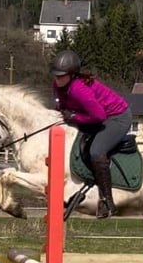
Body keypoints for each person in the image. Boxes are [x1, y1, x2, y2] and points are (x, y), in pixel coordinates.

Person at [51, 50, 132, 218]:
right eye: (56, 75)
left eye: (61, 76)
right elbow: (60, 103)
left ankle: (107, 201)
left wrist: (73, 116)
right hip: (96, 117)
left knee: (96, 151)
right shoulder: (58, 85)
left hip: (116, 117)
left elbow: (99, 116)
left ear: (72, 75)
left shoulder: (78, 89)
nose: (57, 79)